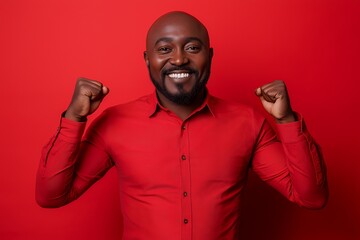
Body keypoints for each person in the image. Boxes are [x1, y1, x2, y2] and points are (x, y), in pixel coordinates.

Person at [36, 11, 328, 240]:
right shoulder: (116, 122)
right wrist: (74, 118)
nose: (178, 59)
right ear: (147, 59)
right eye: (164, 49)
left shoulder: (247, 122)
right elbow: (51, 196)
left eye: (192, 47)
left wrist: (286, 120)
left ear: (210, 56)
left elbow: (311, 197)